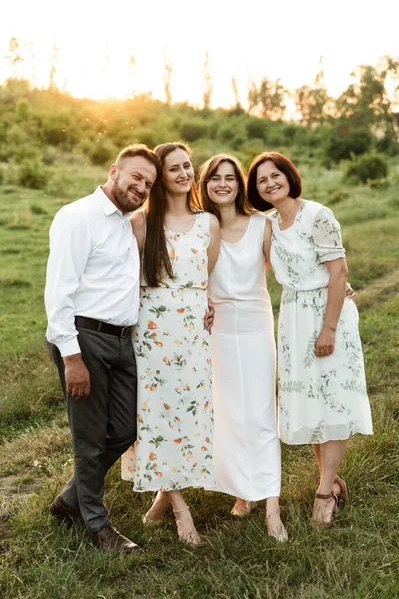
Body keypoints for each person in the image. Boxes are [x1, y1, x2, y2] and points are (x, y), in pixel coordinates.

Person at [44, 144, 160, 553]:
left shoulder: (128, 223)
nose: (141, 186)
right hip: (85, 340)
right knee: (90, 438)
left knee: (127, 428)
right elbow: (58, 292)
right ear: (114, 170)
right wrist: (72, 358)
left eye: (148, 182)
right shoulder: (79, 217)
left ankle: (70, 500)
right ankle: (97, 526)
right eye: (135, 177)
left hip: (122, 340)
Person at [247, 151, 373, 526]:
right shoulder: (267, 223)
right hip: (293, 318)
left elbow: (338, 273)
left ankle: (323, 494)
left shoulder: (318, 216)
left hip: (324, 314)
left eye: (275, 175)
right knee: (312, 401)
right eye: (261, 181)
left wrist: (329, 328)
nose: (270, 184)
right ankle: (332, 482)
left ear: (289, 175)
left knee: (333, 401)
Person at [121, 142, 220, 546]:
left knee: (188, 412)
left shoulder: (208, 222)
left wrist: (205, 301)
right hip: (154, 329)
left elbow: (205, 274)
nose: (184, 173)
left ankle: (164, 491)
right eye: (174, 168)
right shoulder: (142, 222)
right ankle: (181, 508)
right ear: (160, 177)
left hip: (194, 330)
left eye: (188, 166)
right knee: (156, 414)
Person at [198, 153, 287, 542]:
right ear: (206, 184)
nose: (222, 184)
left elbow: (288, 268)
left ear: (240, 184)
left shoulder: (262, 225)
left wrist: (337, 281)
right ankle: (241, 493)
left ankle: (272, 505)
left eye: (230, 178)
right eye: (215, 178)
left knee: (261, 412)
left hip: (254, 326)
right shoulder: (202, 226)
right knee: (227, 411)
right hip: (216, 330)